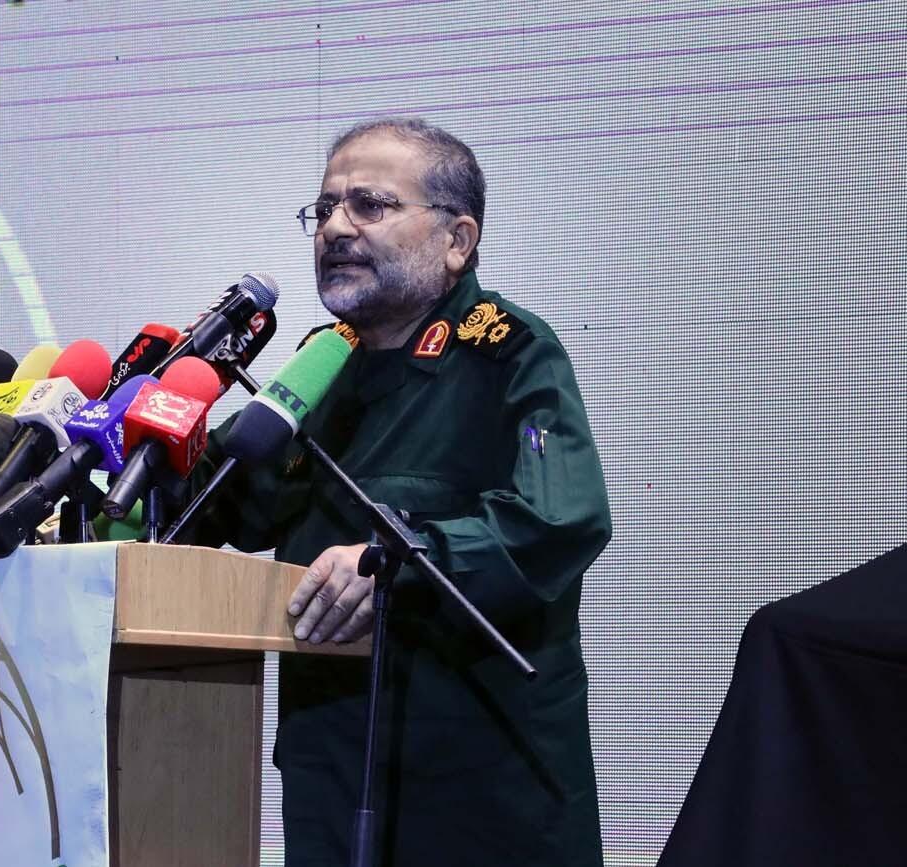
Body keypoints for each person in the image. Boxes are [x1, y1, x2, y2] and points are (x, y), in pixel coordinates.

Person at [189, 117, 613, 865]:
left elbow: (561, 518)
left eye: (369, 205)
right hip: (331, 776)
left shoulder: (509, 354)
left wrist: (398, 560)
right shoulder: (317, 371)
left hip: (478, 796)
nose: (334, 228)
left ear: (457, 240)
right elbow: (214, 501)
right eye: (325, 209)